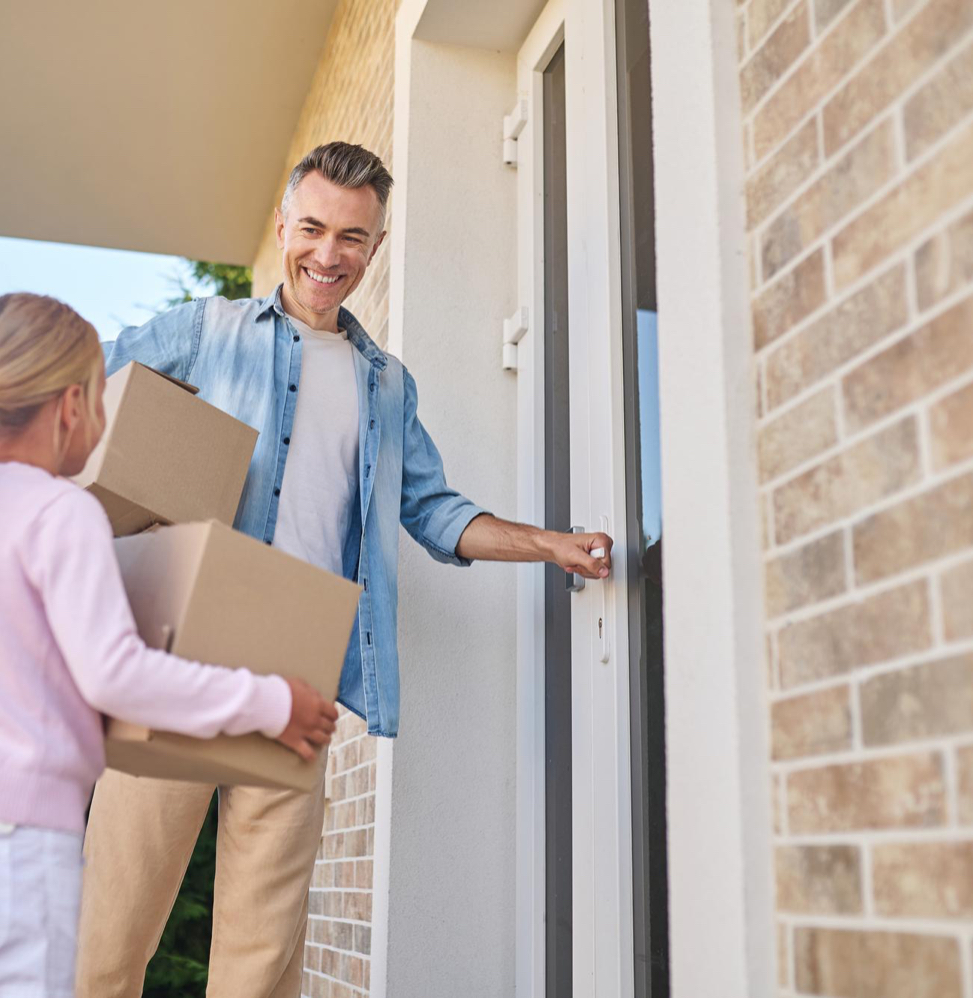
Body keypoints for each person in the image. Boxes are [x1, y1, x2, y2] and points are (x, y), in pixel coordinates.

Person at [77, 143, 613, 997]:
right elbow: (81, 389)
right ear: (284, 225)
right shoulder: (206, 332)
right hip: (177, 652)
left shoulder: (386, 386)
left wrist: (547, 543)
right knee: (110, 933)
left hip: (299, 663)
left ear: (378, 243)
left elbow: (433, 510)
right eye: (315, 229)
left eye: (354, 238)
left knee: (262, 959)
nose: (329, 255)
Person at [0, 292, 338, 997]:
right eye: (105, 396)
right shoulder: (62, 513)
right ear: (72, 406)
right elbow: (118, 677)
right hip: (12, 853)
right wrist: (269, 701)